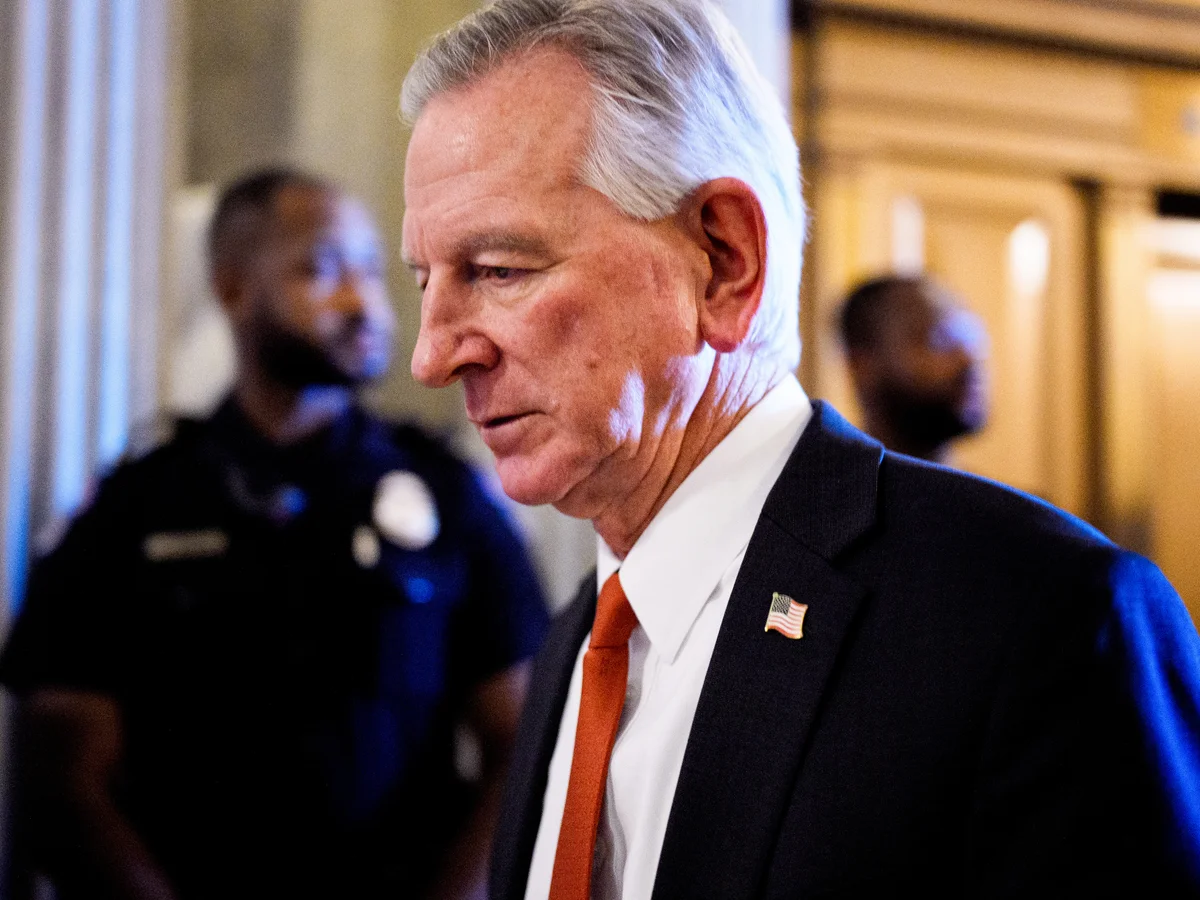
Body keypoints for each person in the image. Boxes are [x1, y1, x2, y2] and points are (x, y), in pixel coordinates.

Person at [398, 1, 1200, 898]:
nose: (432, 356)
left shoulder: (1042, 623)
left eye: (498, 270)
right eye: (426, 281)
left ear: (723, 260)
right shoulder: (575, 642)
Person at [0, 169, 549, 900]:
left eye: (370, 270)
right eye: (322, 270)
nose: (361, 301)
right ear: (233, 289)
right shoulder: (135, 507)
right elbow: (62, 781)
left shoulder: (448, 497)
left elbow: (524, 748)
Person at [838, 274, 989, 463]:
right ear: (860, 364)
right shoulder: (820, 481)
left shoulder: (1001, 486)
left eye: (967, 337)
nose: (967, 359)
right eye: (939, 339)